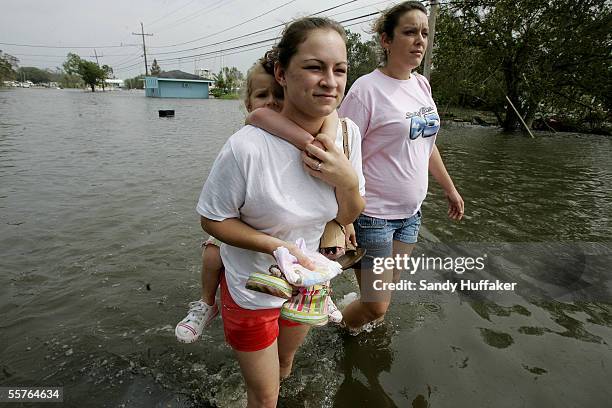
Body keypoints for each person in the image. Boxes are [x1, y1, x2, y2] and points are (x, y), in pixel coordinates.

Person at [196, 17, 364, 407]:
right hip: (251, 285)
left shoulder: (346, 135)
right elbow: (212, 219)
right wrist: (273, 245)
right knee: (266, 394)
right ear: (281, 73)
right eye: (313, 67)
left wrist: (348, 180)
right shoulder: (246, 147)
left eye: (339, 70)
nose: (330, 81)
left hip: (305, 284)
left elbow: (348, 213)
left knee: (285, 363)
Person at [175, 49, 357, 343]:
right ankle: (207, 303)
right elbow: (214, 216)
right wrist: (315, 146)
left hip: (298, 242)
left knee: (320, 254)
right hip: (244, 228)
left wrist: (346, 194)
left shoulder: (335, 130)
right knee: (212, 253)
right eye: (262, 95)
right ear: (248, 103)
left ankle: (322, 293)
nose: (272, 102)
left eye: (278, 95)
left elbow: (332, 113)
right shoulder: (252, 136)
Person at [337, 1, 464, 331]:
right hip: (374, 216)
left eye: (424, 32)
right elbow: (342, 152)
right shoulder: (366, 90)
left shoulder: (421, 84)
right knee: (378, 307)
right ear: (386, 40)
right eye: (409, 32)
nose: (420, 39)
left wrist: (449, 188)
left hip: (411, 215)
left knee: (380, 297)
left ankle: (353, 315)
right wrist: (342, 218)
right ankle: (337, 327)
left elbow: (427, 144)